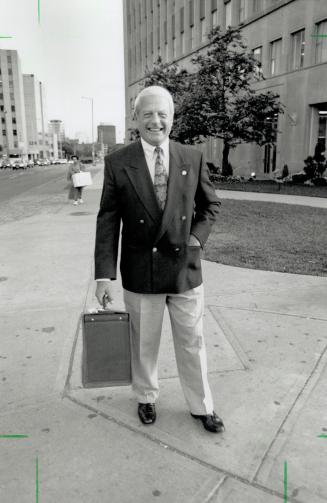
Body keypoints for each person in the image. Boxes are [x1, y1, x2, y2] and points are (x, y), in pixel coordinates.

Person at [94, 86, 224, 433]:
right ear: (135, 118)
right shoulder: (118, 162)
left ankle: (202, 405)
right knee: (144, 344)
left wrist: (196, 239)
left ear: (172, 117)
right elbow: (108, 219)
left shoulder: (191, 157)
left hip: (185, 272)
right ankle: (146, 396)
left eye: (163, 114)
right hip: (141, 271)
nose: (156, 121)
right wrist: (103, 275)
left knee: (192, 342)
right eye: (148, 114)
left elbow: (210, 205)